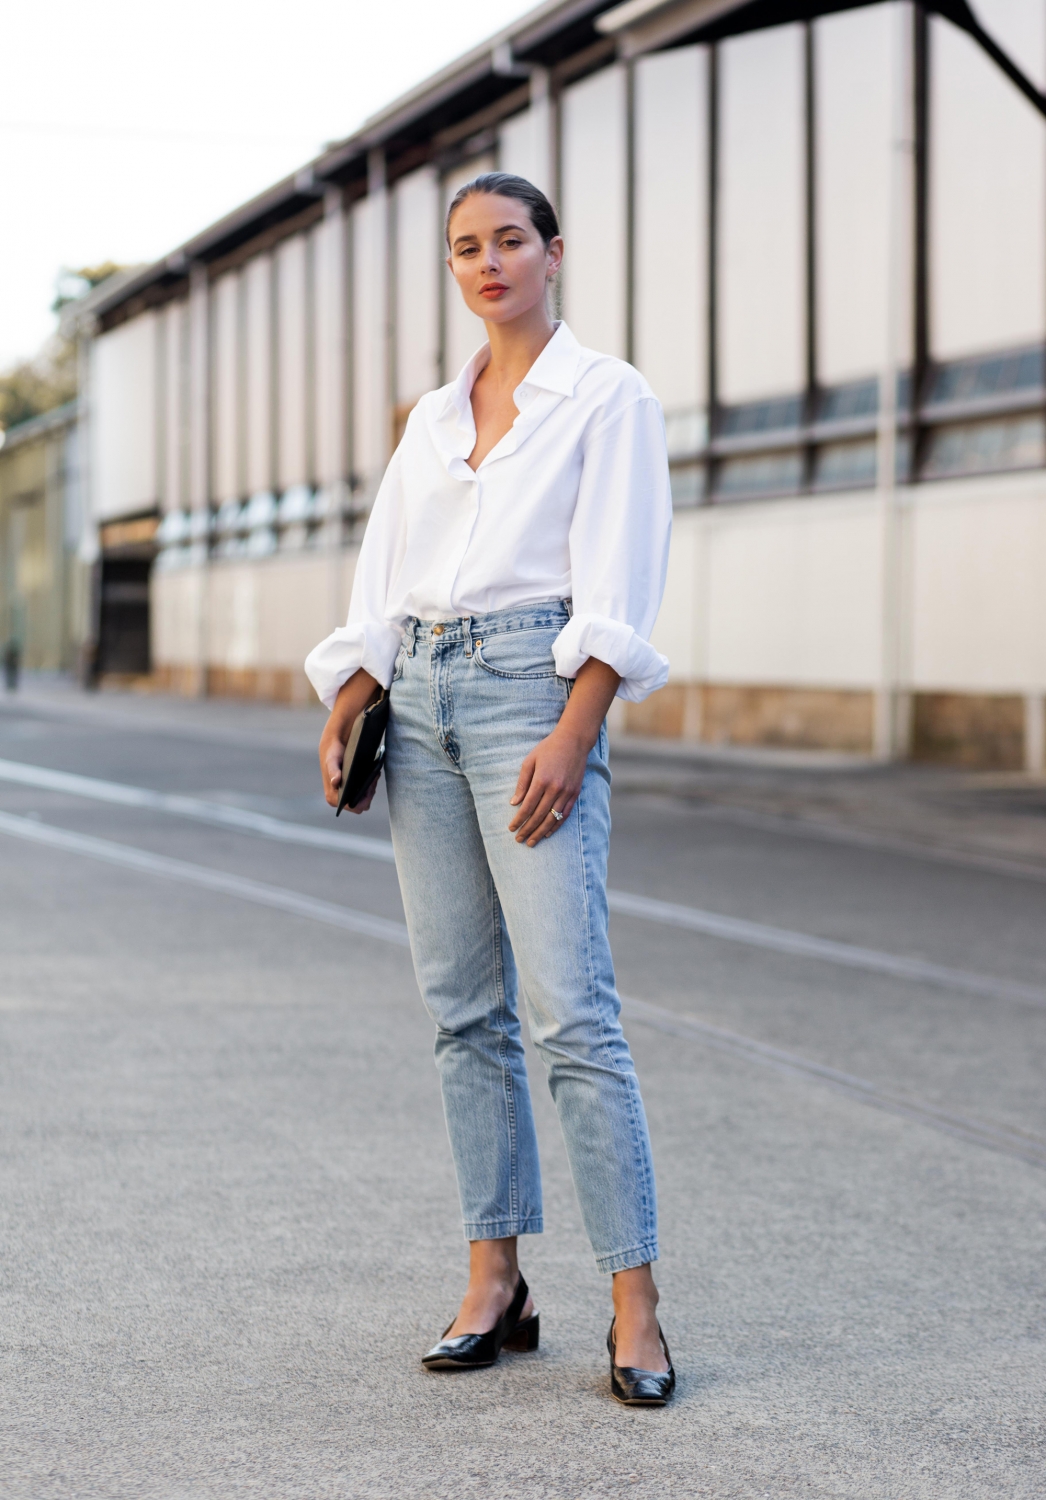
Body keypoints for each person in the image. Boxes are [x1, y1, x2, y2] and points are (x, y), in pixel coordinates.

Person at [305, 172, 675, 1406]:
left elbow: (618, 577)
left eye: (508, 240)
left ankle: (635, 1304)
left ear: (552, 252)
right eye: (465, 247)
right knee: (462, 1011)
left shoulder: (606, 397)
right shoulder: (431, 414)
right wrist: (353, 695)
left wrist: (576, 730)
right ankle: (494, 1282)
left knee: (572, 1014)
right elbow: (385, 573)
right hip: (418, 701)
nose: (487, 263)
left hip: (532, 692)